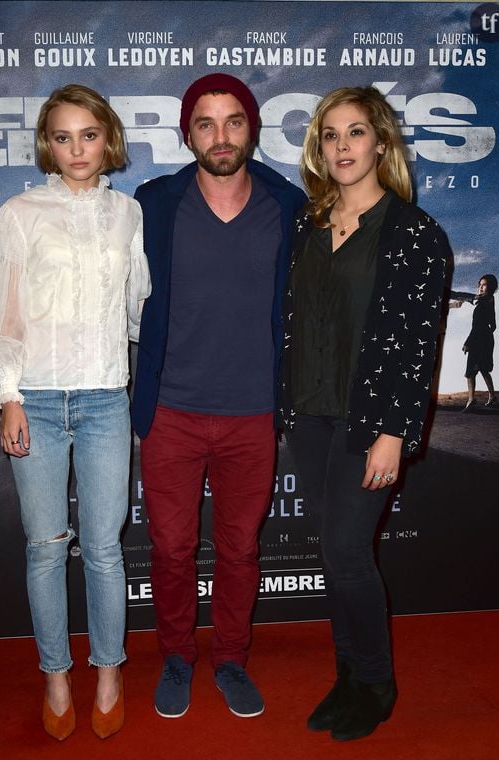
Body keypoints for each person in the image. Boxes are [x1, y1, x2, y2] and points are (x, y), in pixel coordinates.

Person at [0, 84, 151, 741]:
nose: (77, 149)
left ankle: (107, 671)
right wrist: (8, 393)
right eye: (63, 136)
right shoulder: (18, 213)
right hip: (35, 398)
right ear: (47, 142)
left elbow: (137, 303)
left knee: (103, 550)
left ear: (108, 139)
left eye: (88, 135)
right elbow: (5, 311)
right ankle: (56, 676)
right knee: (45, 548)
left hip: (104, 398)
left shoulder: (127, 215)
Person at [131, 73, 307, 719]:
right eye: (205, 123)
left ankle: (231, 659)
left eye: (233, 120)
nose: (221, 135)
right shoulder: (153, 204)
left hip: (253, 415)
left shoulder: (288, 206)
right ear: (187, 134)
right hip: (171, 412)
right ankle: (178, 657)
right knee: (172, 549)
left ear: (251, 128)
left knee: (239, 548)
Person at [280, 86, 450, 741]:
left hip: (367, 420)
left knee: (350, 553)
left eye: (355, 132)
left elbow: (418, 344)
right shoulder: (307, 224)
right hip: (310, 414)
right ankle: (348, 676)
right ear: (319, 147)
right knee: (333, 554)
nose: (342, 146)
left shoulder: (414, 232)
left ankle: (376, 683)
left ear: (381, 141)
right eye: (330, 134)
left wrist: (393, 434)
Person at [461, 274, 498, 410]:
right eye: (480, 285)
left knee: (470, 372)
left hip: (478, 341)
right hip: (486, 339)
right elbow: (493, 326)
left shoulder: (482, 304)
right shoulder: (490, 301)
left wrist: (467, 343)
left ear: (491, 287)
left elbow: (476, 327)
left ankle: (471, 400)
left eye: (484, 285)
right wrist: (487, 335)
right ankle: (492, 396)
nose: (481, 288)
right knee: (483, 369)